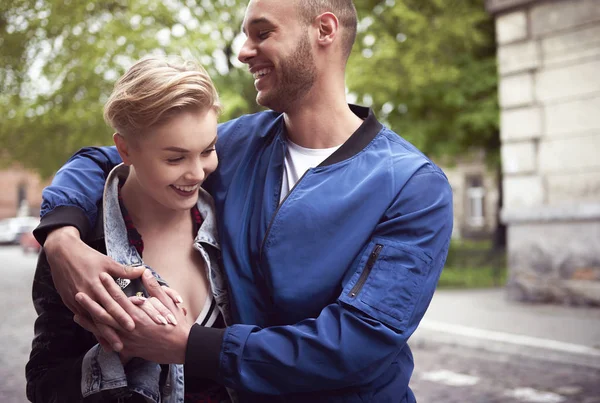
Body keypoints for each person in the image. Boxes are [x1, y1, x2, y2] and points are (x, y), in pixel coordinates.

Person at [32, 0, 453, 401]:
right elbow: (108, 160)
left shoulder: (413, 186)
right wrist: (61, 236)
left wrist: (192, 345)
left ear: (324, 30)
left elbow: (358, 341)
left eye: (262, 33)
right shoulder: (235, 144)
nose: (243, 52)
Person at [26, 57, 232, 403]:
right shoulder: (81, 246)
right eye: (175, 158)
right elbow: (44, 385)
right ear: (125, 149)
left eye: (208, 150)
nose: (198, 173)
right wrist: (120, 349)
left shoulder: (232, 218)